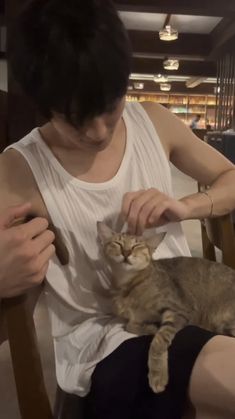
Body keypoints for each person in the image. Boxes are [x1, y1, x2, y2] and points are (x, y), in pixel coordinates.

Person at [1, 0, 235, 418]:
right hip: (112, 341)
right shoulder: (18, 170)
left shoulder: (154, 121)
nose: (99, 133)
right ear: (44, 104)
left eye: (110, 108)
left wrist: (186, 206)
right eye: (76, 119)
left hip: (190, 302)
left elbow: (230, 177)